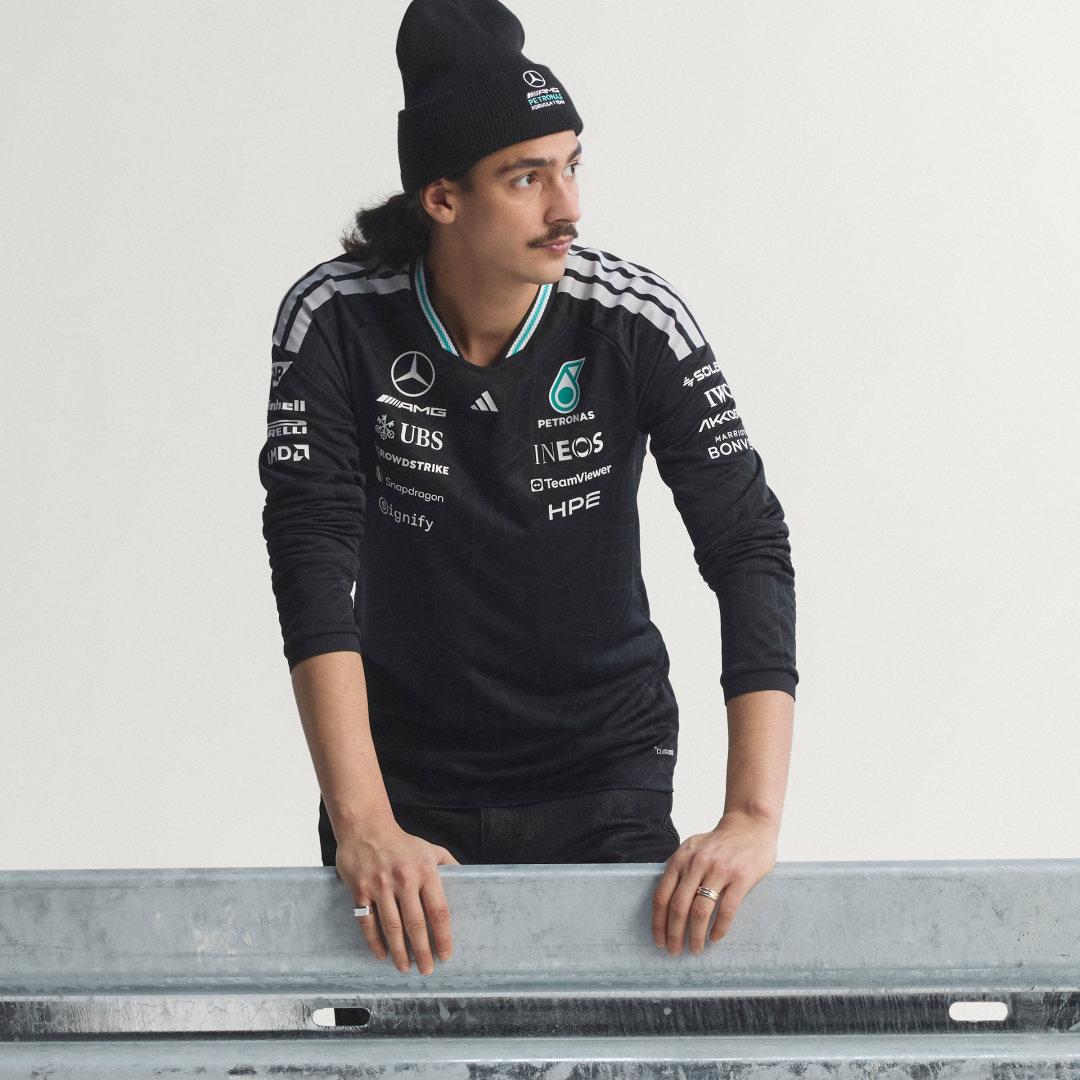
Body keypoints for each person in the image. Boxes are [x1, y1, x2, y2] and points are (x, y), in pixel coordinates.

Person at [260, 0, 796, 977]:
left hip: (604, 780)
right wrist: (364, 822)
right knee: (395, 1050)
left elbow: (747, 542)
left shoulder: (633, 320)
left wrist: (752, 818)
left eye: (572, 164)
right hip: (404, 796)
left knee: (618, 1044)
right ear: (441, 197)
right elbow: (311, 557)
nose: (568, 207)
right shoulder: (333, 319)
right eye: (526, 176)